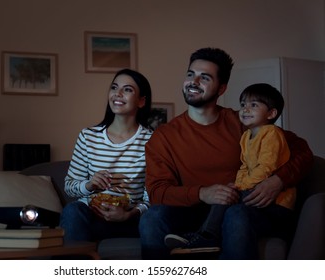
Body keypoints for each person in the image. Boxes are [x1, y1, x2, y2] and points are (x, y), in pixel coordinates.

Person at [139, 47, 313, 259]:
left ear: (221, 88)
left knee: (235, 214)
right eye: (190, 74)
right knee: (152, 217)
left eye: (204, 78)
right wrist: (203, 193)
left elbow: (303, 152)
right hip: (195, 212)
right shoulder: (164, 136)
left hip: (243, 208)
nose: (193, 82)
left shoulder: (243, 122)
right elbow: (158, 192)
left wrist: (278, 180)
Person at [165, 83, 294, 255]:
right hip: (252, 190)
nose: (245, 109)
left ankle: (206, 235)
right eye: (243, 105)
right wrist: (236, 185)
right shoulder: (246, 136)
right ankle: (205, 235)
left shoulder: (271, 133)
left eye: (253, 105)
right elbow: (244, 167)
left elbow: (266, 167)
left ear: (271, 113)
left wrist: (242, 186)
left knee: (226, 198)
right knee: (225, 193)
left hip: (276, 203)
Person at [60, 68, 153, 242]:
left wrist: (129, 214)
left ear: (141, 101)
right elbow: (70, 186)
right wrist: (89, 185)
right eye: (114, 87)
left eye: (127, 89)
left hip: (131, 220)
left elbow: (153, 196)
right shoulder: (88, 136)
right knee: (72, 211)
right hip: (92, 217)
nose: (117, 94)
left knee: (153, 219)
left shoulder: (153, 141)